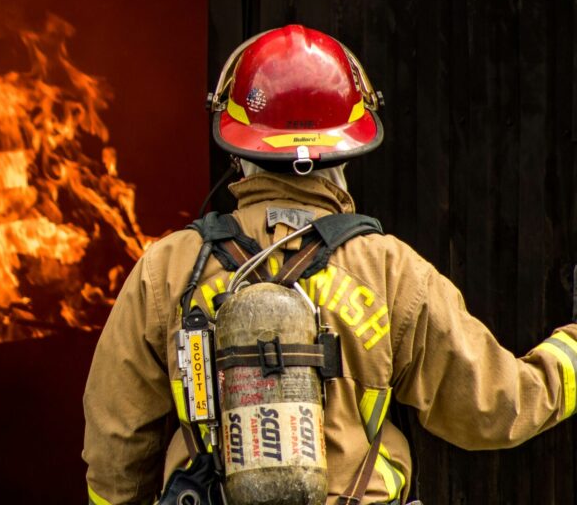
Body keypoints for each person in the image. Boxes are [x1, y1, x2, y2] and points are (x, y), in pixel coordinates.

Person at [82, 25, 577, 505]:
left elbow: (114, 445)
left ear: (238, 149)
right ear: (347, 150)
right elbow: (496, 407)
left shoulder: (168, 269)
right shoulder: (391, 272)